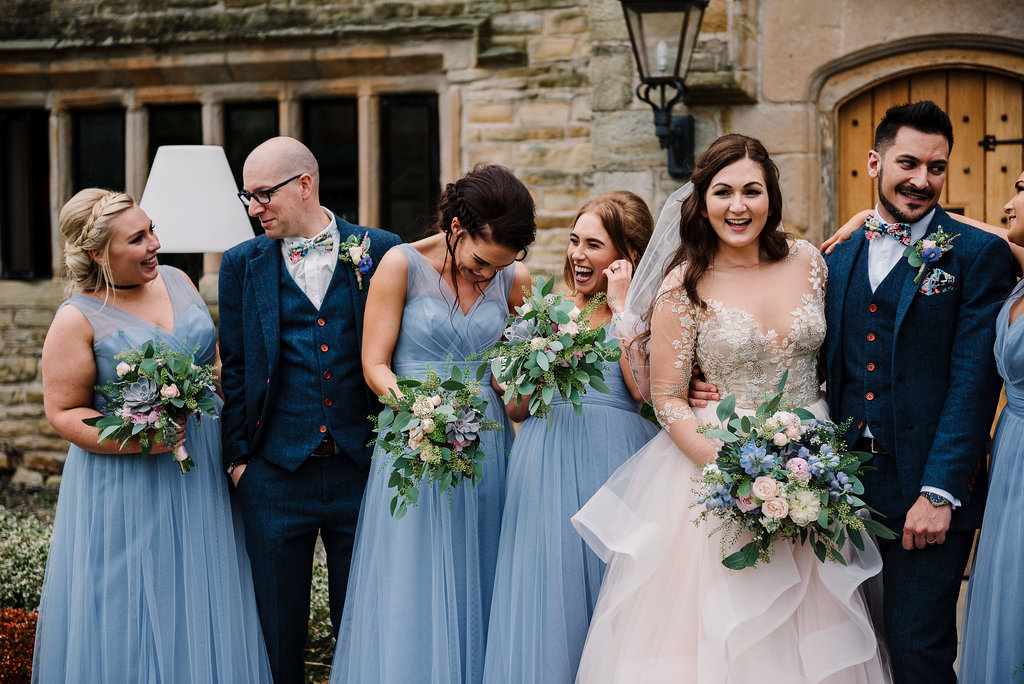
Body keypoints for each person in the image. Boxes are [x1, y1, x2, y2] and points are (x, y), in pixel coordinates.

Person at [692, 102, 1016, 684]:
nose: (922, 179)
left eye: (937, 168)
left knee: (917, 649)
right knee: (850, 650)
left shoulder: (975, 255)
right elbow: (792, 351)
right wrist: (709, 382)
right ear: (874, 162)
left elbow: (973, 383)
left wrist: (940, 493)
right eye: (908, 163)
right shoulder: (833, 258)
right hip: (839, 488)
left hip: (927, 488)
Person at [570, 134, 890, 683]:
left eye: (752, 191)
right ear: (702, 199)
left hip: (811, 470)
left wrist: (866, 215)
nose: (738, 206)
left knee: (813, 640)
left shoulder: (811, 261)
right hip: (717, 474)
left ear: (771, 198)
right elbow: (669, 400)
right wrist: (732, 474)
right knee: (722, 640)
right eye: (723, 192)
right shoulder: (683, 284)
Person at [33, 189, 271, 683]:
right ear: (98, 253)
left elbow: (216, 365)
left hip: (200, 466)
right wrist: (141, 438)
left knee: (203, 591)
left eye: (152, 230)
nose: (154, 244)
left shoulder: (179, 280)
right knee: (132, 601)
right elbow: (63, 412)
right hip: (126, 482)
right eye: (137, 239)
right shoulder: (76, 318)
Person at [331, 164, 536, 684]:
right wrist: (421, 412)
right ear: (456, 229)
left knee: (484, 570)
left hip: (487, 444)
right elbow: (374, 364)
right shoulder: (400, 265)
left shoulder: (517, 279)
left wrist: (517, 385)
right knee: (413, 577)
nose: (487, 276)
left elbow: (516, 368)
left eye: (500, 266)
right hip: (415, 438)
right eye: (479, 261)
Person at [218, 136, 401, 683]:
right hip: (274, 475)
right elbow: (236, 368)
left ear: (304, 184)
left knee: (365, 625)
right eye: (245, 198)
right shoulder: (240, 265)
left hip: (361, 470)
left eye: (261, 194)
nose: (254, 209)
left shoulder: (380, 248)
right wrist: (238, 463)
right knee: (276, 636)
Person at [482, 192, 660, 683]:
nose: (577, 255)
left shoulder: (645, 314)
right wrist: (515, 375)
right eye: (574, 241)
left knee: (610, 596)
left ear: (627, 257)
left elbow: (645, 390)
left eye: (594, 245)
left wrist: (623, 306)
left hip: (616, 465)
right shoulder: (547, 310)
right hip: (543, 463)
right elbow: (517, 409)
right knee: (547, 594)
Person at [956, 170, 1024, 682]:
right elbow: (985, 231)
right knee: (1005, 583)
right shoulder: (1021, 268)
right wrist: (874, 218)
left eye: (1022, 190)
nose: (1008, 201)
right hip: (1010, 453)